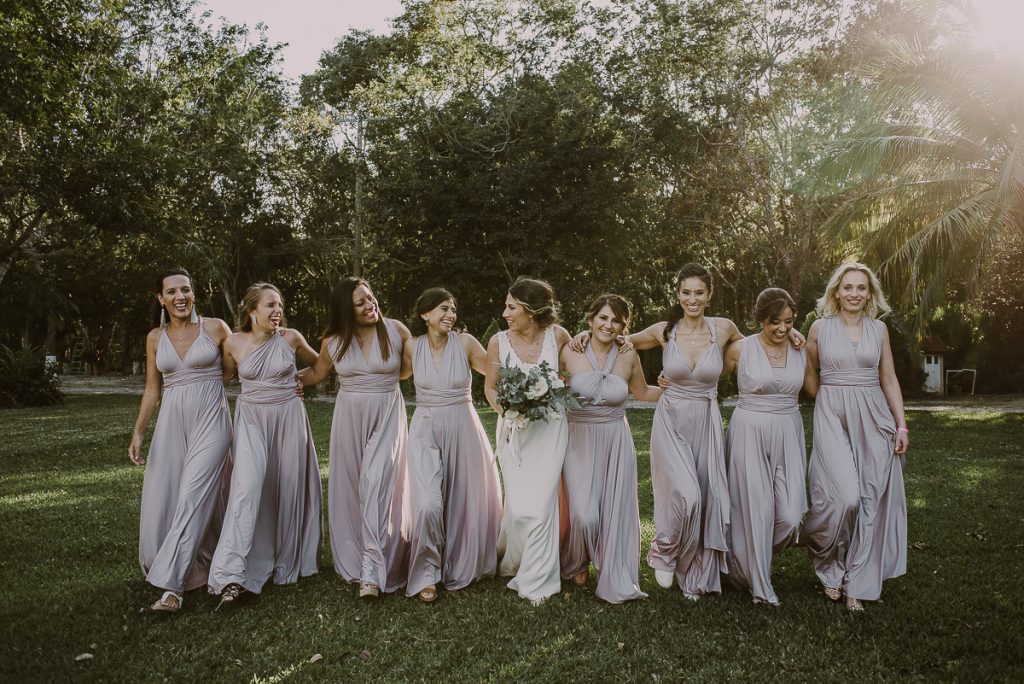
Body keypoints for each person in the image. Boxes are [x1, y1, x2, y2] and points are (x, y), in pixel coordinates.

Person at [208, 283, 322, 605]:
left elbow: (321, 366)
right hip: (252, 419)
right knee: (246, 486)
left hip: (288, 416)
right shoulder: (232, 343)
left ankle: (285, 561)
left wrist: (298, 381)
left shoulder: (291, 338)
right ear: (252, 312)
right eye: (270, 305)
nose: (277, 311)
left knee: (287, 485)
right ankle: (230, 574)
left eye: (280, 305)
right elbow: (224, 377)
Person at [803, 263, 908, 611]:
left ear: (870, 293)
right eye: (847, 287)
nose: (854, 293)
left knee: (870, 499)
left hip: (874, 417)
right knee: (843, 496)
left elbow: (889, 379)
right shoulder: (820, 328)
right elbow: (809, 374)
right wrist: (826, 402)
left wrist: (901, 424)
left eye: (861, 288)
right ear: (836, 291)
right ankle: (828, 564)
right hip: (832, 412)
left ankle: (857, 581)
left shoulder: (878, 330)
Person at [299, 277, 412, 598]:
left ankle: (372, 573)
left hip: (388, 411)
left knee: (377, 483)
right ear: (345, 310)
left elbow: (408, 370)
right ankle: (355, 556)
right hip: (349, 417)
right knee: (351, 486)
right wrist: (280, 381)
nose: (369, 305)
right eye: (360, 302)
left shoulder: (396, 331)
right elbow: (318, 373)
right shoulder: (334, 341)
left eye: (371, 298)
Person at [129, 268, 233, 613]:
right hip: (172, 424)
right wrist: (139, 431)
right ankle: (210, 564)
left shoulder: (216, 328)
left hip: (211, 421)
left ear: (194, 293)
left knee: (193, 495)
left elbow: (235, 369)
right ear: (160, 299)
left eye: (185, 290)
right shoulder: (154, 338)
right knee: (172, 496)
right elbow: (151, 390)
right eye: (171, 292)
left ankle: (172, 588)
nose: (180, 297)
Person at [559, 294, 661, 603]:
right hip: (577, 440)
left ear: (623, 326)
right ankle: (576, 559)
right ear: (590, 320)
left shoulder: (628, 355)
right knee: (583, 514)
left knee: (613, 512)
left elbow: (642, 392)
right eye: (603, 318)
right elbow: (546, 383)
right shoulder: (569, 351)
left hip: (616, 440)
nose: (609, 324)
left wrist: (679, 389)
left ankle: (609, 568)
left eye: (616, 320)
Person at [402, 288, 502, 603]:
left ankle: (462, 561)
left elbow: (496, 372)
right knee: (428, 503)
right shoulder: (411, 347)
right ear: (425, 314)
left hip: (463, 426)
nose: (450, 315)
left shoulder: (466, 343)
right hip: (425, 430)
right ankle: (426, 572)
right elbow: (394, 375)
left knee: (465, 499)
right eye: (443, 309)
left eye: (453, 309)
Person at [723, 288, 817, 606]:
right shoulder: (740, 349)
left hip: (789, 431)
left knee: (790, 517)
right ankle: (761, 587)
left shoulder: (800, 349)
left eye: (788, 322)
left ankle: (741, 562)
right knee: (756, 510)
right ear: (761, 319)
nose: (782, 329)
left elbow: (818, 389)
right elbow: (705, 377)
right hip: (748, 429)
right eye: (774, 322)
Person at [484, 277, 572, 604]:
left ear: (531, 310)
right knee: (520, 506)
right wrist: (507, 408)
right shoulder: (498, 342)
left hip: (551, 429)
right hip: (515, 430)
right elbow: (490, 387)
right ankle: (514, 560)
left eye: (511, 306)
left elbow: (581, 362)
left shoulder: (558, 336)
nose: (505, 312)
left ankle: (538, 579)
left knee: (542, 503)